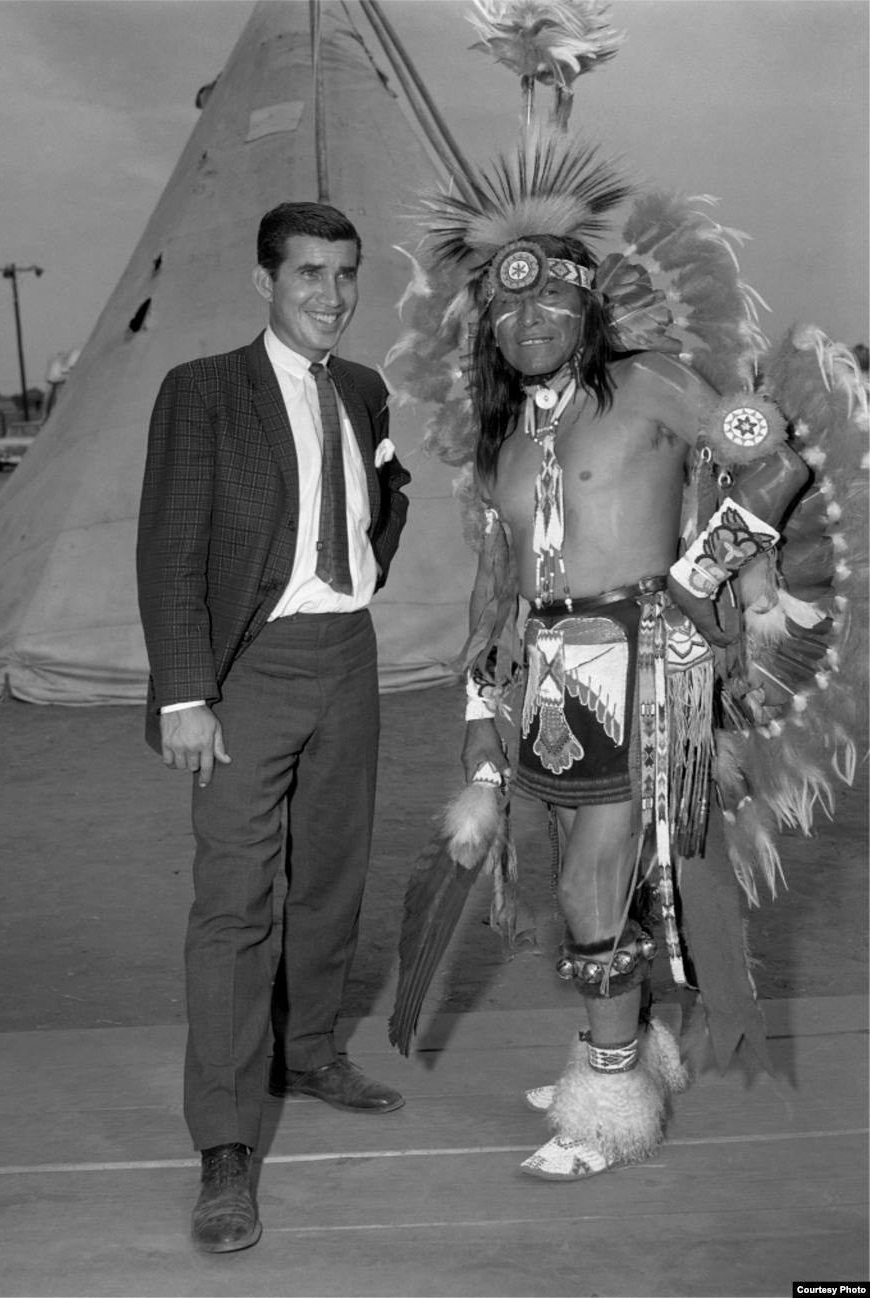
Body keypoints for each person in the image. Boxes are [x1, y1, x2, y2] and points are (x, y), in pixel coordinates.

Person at [403, 146, 811, 1182]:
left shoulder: (650, 384)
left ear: (587, 305)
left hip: (646, 664)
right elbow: (500, 591)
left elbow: (775, 457)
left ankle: (611, 1093)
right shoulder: (501, 442)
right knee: (597, 880)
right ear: (486, 328)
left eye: (548, 302)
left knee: (593, 884)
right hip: (547, 677)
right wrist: (481, 726)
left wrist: (693, 584)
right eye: (504, 310)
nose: (526, 322)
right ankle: (631, 1040)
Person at [137, 201, 411, 1252]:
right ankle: (225, 1143)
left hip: (348, 654)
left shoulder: (365, 387)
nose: (331, 295)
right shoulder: (202, 391)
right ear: (265, 279)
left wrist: (367, 559)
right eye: (308, 274)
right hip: (247, 667)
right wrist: (184, 692)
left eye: (344, 274)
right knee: (234, 903)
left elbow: (387, 494)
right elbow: (169, 550)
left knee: (333, 875)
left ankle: (307, 1052)